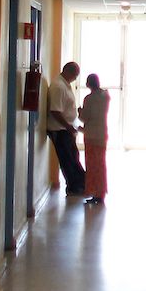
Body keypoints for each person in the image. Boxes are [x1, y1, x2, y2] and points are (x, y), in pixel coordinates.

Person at [45, 61, 87, 196]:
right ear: (67, 71)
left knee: (73, 156)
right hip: (60, 130)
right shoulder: (58, 86)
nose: (76, 78)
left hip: (65, 129)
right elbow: (55, 111)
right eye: (75, 75)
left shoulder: (65, 85)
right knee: (68, 159)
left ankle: (81, 184)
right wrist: (68, 127)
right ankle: (75, 186)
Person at [79, 73, 110, 205]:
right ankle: (101, 192)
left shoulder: (89, 99)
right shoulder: (105, 96)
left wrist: (79, 111)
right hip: (102, 134)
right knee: (101, 164)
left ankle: (96, 192)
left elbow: (85, 118)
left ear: (88, 84)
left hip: (91, 136)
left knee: (92, 165)